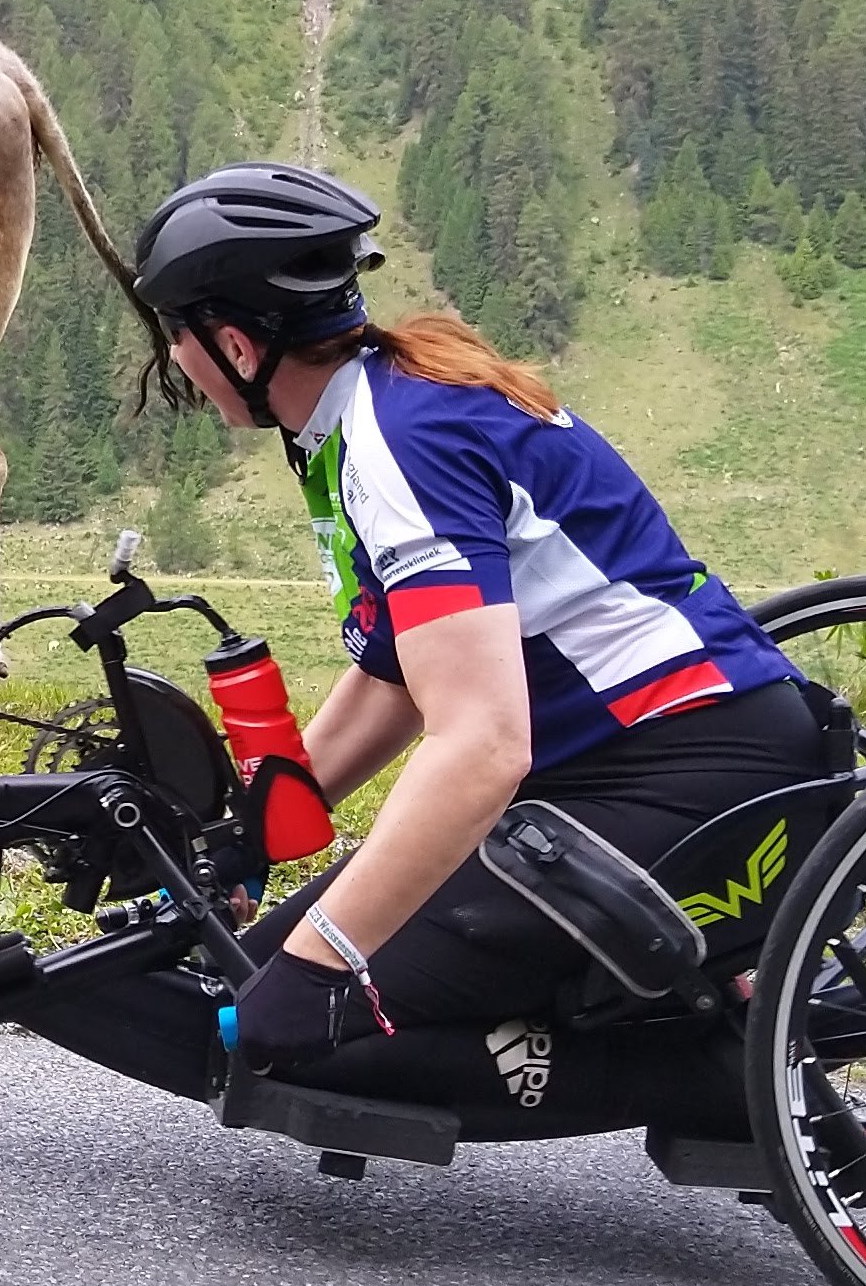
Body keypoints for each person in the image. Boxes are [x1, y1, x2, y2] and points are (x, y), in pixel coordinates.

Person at [127, 163, 829, 1134]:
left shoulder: (397, 439)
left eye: (180, 338)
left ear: (236, 344)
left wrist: (327, 959)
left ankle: (724, 1078)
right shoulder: (376, 406)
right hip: (615, 767)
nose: (181, 363)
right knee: (255, 980)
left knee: (295, 1029)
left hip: (688, 776)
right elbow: (398, 676)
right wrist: (255, 827)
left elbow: (482, 743)